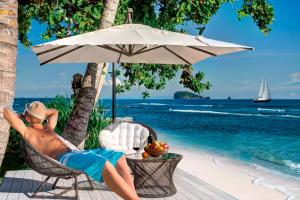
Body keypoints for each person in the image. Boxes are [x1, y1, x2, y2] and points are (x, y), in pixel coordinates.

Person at [3, 101, 139, 200]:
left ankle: (133, 196)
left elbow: (54, 111)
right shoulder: (27, 132)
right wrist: (25, 115)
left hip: (76, 153)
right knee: (103, 163)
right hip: (64, 158)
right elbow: (6, 112)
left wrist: (32, 113)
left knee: (119, 156)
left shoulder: (48, 128)